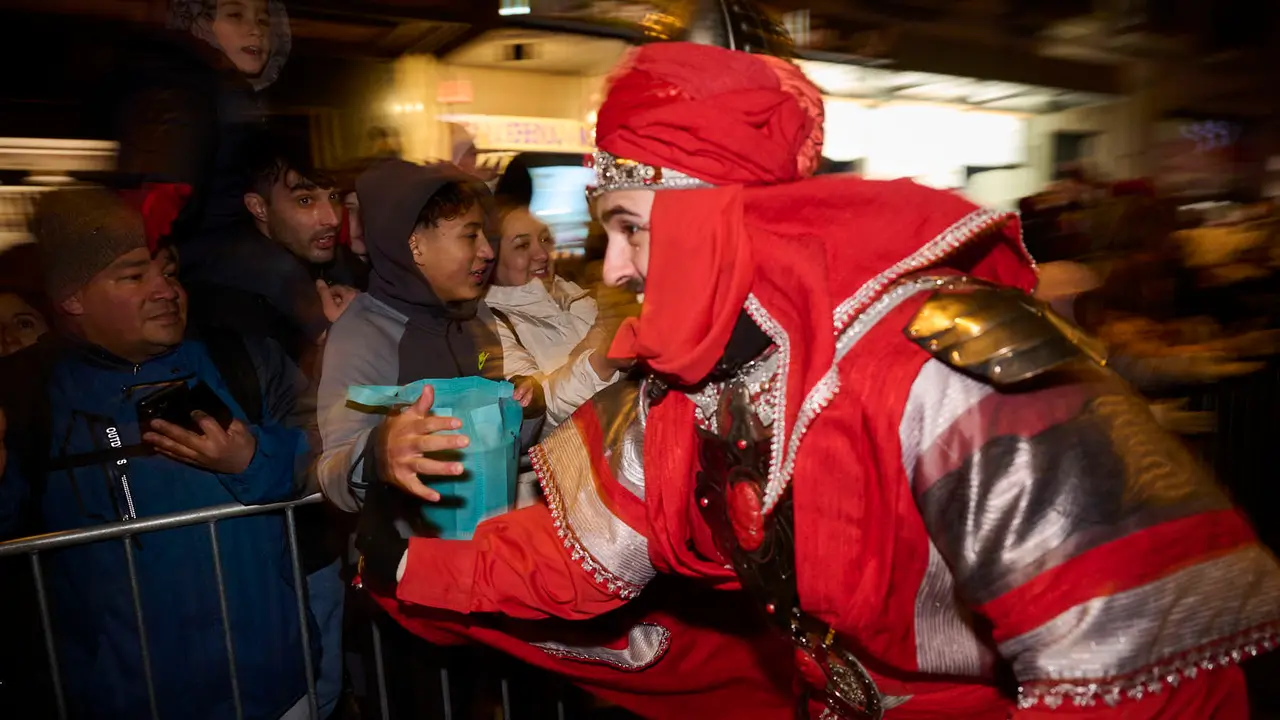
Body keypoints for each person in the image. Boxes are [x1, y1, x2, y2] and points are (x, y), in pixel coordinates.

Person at [354, 41, 1280, 719]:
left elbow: (1138, 656)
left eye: (633, 227)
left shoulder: (943, 363)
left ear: (716, 219)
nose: (620, 269)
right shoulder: (689, 387)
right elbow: (583, 561)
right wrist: (411, 565)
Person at [0, 187, 312, 719]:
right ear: (73, 296)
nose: (165, 290)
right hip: (122, 698)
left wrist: (250, 462)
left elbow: (317, 463)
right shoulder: (26, 396)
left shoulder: (244, 361)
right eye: (133, 276)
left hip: (271, 688)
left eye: (167, 272)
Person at [111, 0, 292, 248]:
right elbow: (162, 198)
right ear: (198, 25)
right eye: (235, 15)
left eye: (263, 20)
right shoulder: (183, 91)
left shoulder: (240, 94)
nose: (256, 30)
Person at [487, 204, 626, 431]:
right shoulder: (490, 325)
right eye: (522, 245)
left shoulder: (581, 299)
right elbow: (538, 414)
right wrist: (603, 358)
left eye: (545, 240)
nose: (542, 254)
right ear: (491, 258)